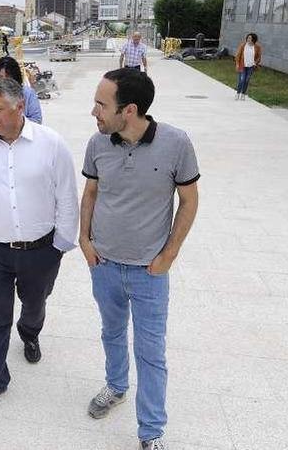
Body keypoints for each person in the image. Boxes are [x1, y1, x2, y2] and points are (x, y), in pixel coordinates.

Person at [80, 68, 199, 450]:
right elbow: (91, 193)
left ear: (129, 110)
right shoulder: (98, 144)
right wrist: (85, 240)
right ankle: (115, 387)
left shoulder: (176, 143)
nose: (94, 111)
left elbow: (189, 200)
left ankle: (151, 433)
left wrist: (169, 254)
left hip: (149, 271)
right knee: (111, 332)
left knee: (151, 352)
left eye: (101, 104)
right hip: (105, 265)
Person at [0, 77, 79, 413]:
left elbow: (67, 197)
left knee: (35, 301)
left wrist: (61, 245)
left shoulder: (51, 144)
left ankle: (30, 332)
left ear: (20, 107)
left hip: (41, 250)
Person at [235, 33, 262, 100]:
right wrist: (237, 64)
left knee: (247, 80)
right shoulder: (243, 45)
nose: (248, 39)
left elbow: (259, 56)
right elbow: (238, 55)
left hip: (251, 66)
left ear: (253, 39)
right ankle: (238, 93)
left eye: (250, 38)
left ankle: (243, 94)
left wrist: (255, 63)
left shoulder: (257, 47)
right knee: (242, 80)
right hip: (242, 65)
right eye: (248, 38)